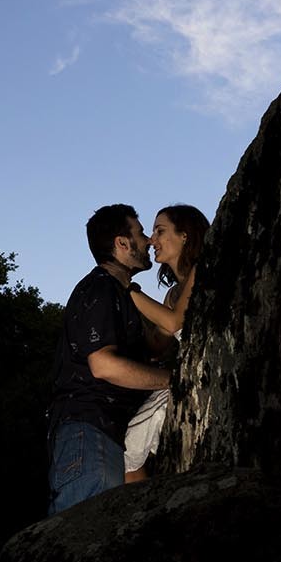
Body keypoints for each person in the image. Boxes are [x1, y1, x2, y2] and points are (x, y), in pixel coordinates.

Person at [46, 204, 175, 516]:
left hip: (105, 437)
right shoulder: (100, 288)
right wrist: (174, 380)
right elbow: (104, 365)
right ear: (122, 243)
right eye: (141, 233)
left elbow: (158, 342)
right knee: (84, 544)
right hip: (89, 433)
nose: (148, 241)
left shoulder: (121, 295)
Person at [122, 203, 210, 482]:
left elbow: (174, 323)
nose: (151, 240)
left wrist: (126, 288)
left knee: (129, 452)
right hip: (182, 379)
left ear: (185, 235)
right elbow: (158, 345)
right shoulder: (172, 294)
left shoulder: (202, 269)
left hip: (205, 379)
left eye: (160, 231)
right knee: (127, 452)